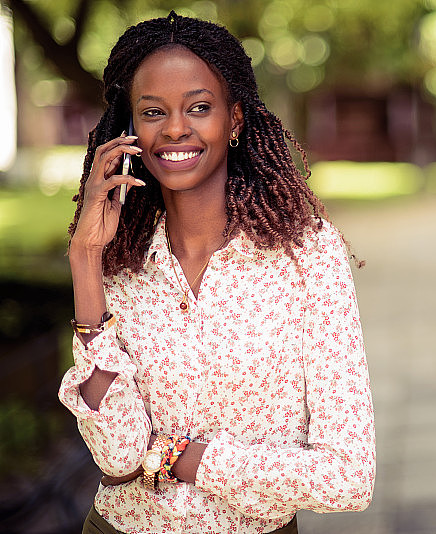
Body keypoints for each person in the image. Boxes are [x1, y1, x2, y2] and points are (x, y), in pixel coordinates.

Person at [58, 11, 375, 534]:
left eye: (199, 107)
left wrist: (187, 457)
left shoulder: (307, 256)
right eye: (153, 111)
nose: (176, 128)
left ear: (236, 119)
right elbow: (119, 455)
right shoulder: (118, 259)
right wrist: (85, 261)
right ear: (131, 129)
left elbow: (348, 476)